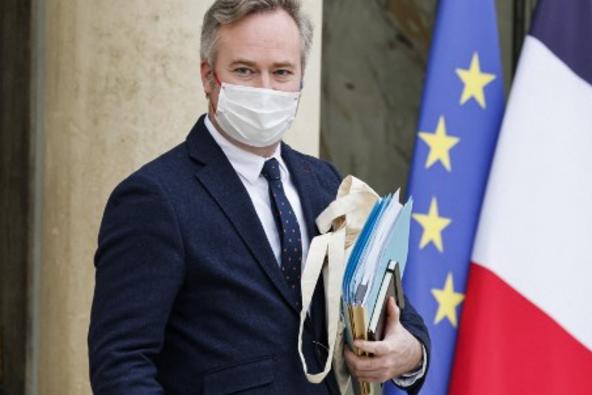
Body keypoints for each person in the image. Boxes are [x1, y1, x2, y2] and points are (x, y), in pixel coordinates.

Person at [88, 1, 430, 394]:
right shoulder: (153, 198)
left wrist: (411, 352)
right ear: (208, 76)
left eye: (282, 72)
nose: (265, 89)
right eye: (245, 70)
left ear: (301, 78)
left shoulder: (324, 182)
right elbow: (121, 364)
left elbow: (394, 309)